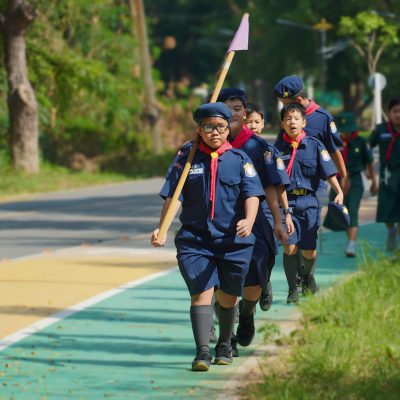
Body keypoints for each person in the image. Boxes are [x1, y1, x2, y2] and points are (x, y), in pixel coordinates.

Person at [151, 102, 265, 372]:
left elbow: (252, 194)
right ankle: (202, 352)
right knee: (201, 293)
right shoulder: (187, 160)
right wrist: (162, 227)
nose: (215, 132)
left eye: (221, 127)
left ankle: (224, 344)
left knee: (228, 297)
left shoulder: (240, 160)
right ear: (199, 130)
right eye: (209, 127)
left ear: (228, 130)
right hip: (196, 240)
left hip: (233, 241)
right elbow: (174, 196)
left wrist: (249, 220)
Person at [216, 88, 293, 347]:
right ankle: (227, 337)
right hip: (219, 219)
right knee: (221, 279)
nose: (232, 113)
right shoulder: (206, 144)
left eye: (237, 109)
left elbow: (270, 186)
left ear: (244, 113)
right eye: (226, 108)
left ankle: (247, 313)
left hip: (254, 217)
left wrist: (279, 220)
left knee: (257, 273)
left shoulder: (256, 146)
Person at [275, 103, 344, 303]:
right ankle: (292, 289)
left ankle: (307, 276)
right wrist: (286, 211)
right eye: (288, 119)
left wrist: (339, 191)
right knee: (289, 246)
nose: (292, 122)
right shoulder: (277, 150)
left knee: (309, 249)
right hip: (287, 202)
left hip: (309, 202)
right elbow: (279, 184)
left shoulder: (315, 145)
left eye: (296, 118)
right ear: (282, 124)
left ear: (304, 122)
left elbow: (329, 171)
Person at [323, 112, 377, 256]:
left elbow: (370, 162)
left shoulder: (361, 141)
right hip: (337, 181)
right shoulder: (333, 142)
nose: (345, 133)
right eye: (342, 130)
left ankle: (351, 243)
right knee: (338, 212)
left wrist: (374, 182)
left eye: (348, 130)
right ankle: (350, 238)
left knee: (352, 210)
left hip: (355, 180)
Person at [369, 98, 400, 251]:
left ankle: (398, 240)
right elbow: (368, 146)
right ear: (389, 113)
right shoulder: (380, 130)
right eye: (395, 111)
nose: (398, 115)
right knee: (386, 208)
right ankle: (391, 230)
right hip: (387, 175)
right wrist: (368, 167)